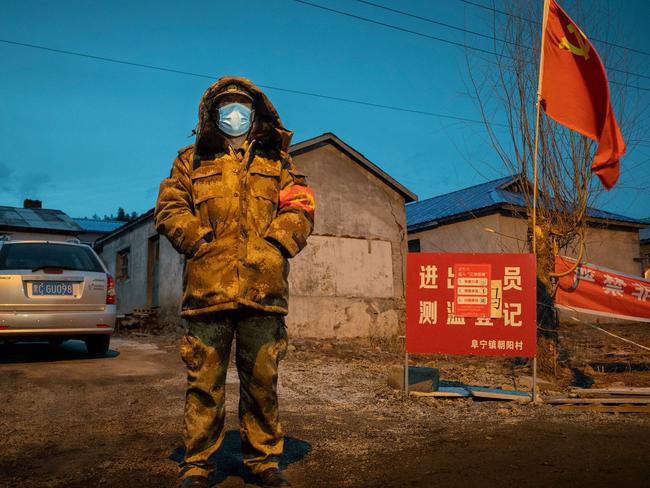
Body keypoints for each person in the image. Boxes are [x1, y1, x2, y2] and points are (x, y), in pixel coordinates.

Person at [154, 76, 315, 488]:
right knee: (204, 385)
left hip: (264, 291)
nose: (234, 111)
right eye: (226, 104)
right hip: (208, 292)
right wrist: (199, 241)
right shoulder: (191, 160)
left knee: (262, 384)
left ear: (256, 112)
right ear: (212, 114)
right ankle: (198, 464)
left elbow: (300, 207)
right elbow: (170, 208)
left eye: (241, 104)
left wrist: (275, 245)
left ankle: (262, 462)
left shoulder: (276, 162)